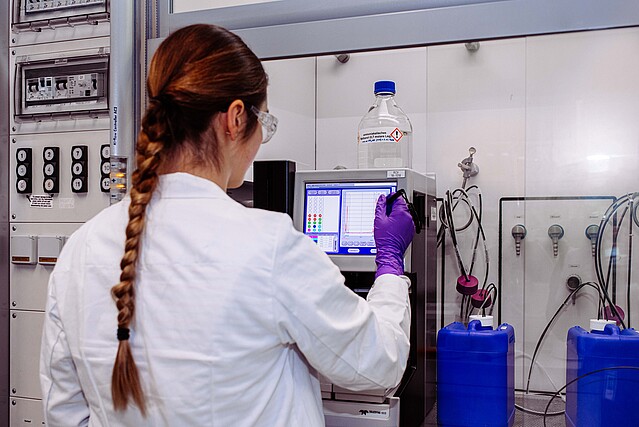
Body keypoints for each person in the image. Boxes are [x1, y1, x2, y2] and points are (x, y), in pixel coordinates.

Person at [40, 24, 415, 426]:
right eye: (264, 124)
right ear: (236, 118)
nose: (259, 141)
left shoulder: (80, 250)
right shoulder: (269, 247)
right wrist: (390, 267)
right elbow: (379, 362)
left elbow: (64, 413)